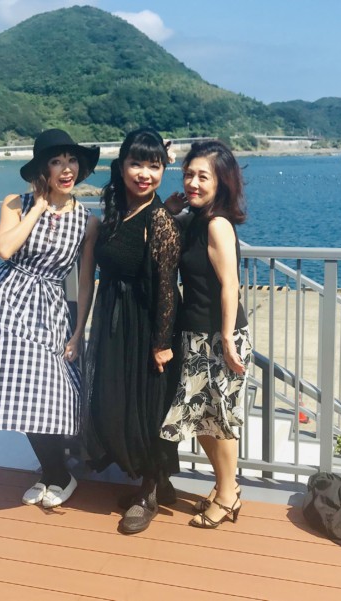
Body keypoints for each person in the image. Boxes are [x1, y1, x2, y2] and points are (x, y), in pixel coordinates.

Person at [0, 129, 100, 509]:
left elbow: (85, 281)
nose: (66, 169)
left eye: (72, 160)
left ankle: (58, 472)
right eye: (56, 162)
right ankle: (54, 473)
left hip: (49, 309)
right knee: (17, 391)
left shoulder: (87, 221)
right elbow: (5, 248)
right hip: (5, 303)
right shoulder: (16, 203)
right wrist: (39, 209)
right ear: (43, 169)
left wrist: (78, 331)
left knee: (46, 390)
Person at [82, 127, 182, 534]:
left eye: (154, 166)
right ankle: (155, 482)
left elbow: (167, 286)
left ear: (163, 170)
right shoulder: (117, 208)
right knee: (118, 401)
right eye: (137, 164)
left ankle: (150, 492)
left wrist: (162, 342)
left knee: (147, 408)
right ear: (121, 166)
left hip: (146, 325)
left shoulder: (159, 220)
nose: (145, 173)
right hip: (115, 319)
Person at [160, 139, 251, 529]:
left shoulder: (217, 224)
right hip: (196, 333)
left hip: (217, 337)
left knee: (219, 420)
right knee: (200, 419)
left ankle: (229, 495)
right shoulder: (194, 219)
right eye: (188, 174)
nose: (193, 183)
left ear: (221, 182)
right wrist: (168, 210)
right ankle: (225, 486)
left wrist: (227, 339)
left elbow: (230, 285)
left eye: (203, 176)